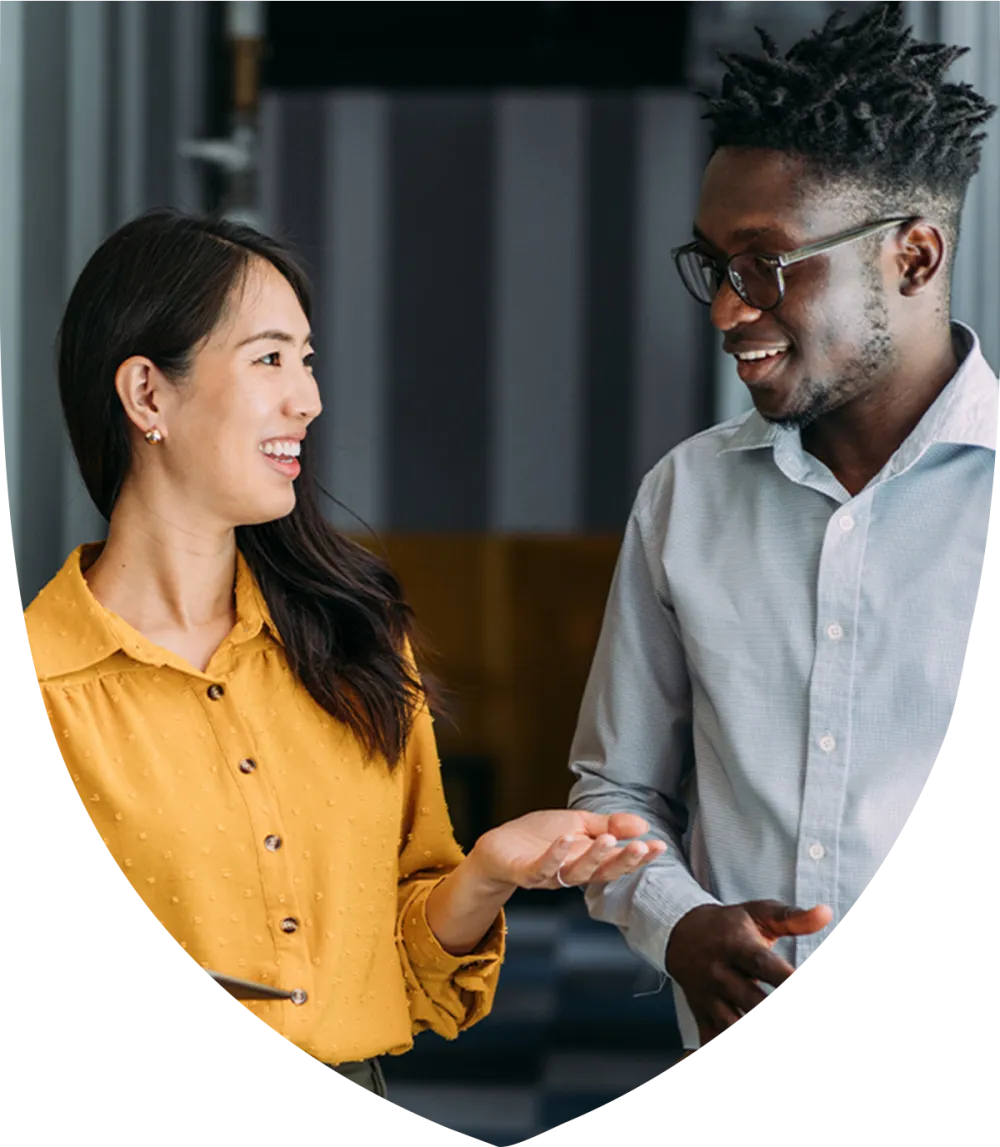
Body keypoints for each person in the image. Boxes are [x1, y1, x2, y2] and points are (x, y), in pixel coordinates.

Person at [22, 208, 667, 1101]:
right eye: (270, 358)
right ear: (147, 396)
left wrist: (486, 870)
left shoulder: (353, 636)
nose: (309, 399)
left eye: (307, 360)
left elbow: (404, 960)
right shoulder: (47, 684)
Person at [567, 0, 997, 1058]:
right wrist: (678, 924)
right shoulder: (684, 498)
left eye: (765, 262)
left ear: (913, 256)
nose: (724, 309)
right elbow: (615, 789)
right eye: (714, 265)